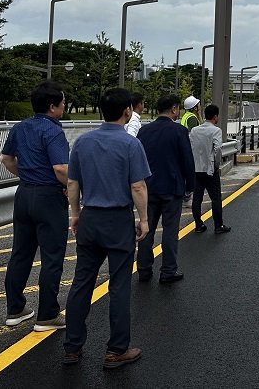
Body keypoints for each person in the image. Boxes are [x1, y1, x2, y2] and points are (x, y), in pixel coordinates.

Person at [63, 88, 150, 369]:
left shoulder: (83, 143)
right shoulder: (130, 144)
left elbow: (73, 184)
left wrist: (76, 214)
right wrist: (144, 219)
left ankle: (72, 348)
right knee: (119, 285)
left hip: (90, 218)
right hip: (117, 221)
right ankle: (116, 350)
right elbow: (137, 186)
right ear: (127, 112)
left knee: (81, 283)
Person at [0, 80, 70, 332]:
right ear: (53, 107)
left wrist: (26, 174)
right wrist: (73, 189)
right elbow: (61, 168)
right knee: (51, 257)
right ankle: (48, 314)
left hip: (24, 195)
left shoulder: (20, 128)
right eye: (62, 103)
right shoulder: (53, 131)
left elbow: (6, 159)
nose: (64, 107)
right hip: (49, 197)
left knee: (21, 253)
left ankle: (16, 309)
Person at [136, 94, 196, 284]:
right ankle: (168, 270)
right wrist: (191, 185)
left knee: (147, 230)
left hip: (147, 188)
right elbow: (187, 160)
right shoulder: (179, 131)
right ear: (173, 109)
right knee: (170, 230)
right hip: (172, 188)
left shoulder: (144, 132)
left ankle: (144, 269)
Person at [190, 104, 232, 234]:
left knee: (197, 197)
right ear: (215, 117)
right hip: (210, 169)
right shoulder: (215, 130)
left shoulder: (194, 131)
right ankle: (218, 225)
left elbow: (190, 148)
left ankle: (198, 225)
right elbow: (218, 148)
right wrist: (216, 164)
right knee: (215, 198)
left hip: (196, 168)